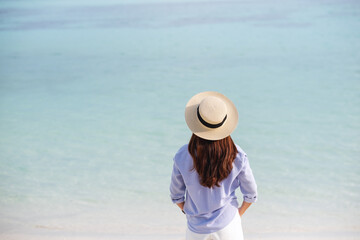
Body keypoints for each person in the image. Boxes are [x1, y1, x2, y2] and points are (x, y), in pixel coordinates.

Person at [170, 91, 258, 240]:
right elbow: (251, 193)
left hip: (196, 228)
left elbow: (176, 196)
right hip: (229, 225)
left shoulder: (182, 155)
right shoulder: (237, 155)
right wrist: (238, 214)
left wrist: (191, 213)